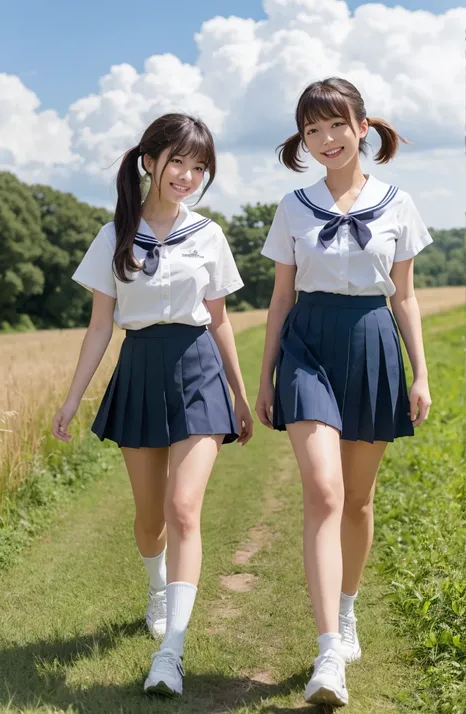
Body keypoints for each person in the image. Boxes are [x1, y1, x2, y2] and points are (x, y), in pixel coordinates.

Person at [52, 112, 253, 698]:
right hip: (139, 372)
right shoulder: (115, 234)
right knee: (150, 519)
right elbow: (98, 328)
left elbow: (219, 321)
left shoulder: (209, 235)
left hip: (198, 371)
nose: (187, 176)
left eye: (199, 167)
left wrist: (240, 396)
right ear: (149, 162)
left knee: (184, 508)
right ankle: (158, 587)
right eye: (177, 163)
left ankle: (172, 652)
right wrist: (71, 399)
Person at [255, 77, 432, 707]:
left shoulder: (398, 203)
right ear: (303, 140)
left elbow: (404, 296)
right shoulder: (293, 206)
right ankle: (329, 651)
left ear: (363, 127)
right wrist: (267, 374)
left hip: (372, 342)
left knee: (357, 499)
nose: (325, 140)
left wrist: (420, 372)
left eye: (336, 125)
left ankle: (348, 609)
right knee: (324, 492)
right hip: (307, 346)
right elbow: (280, 298)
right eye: (312, 130)